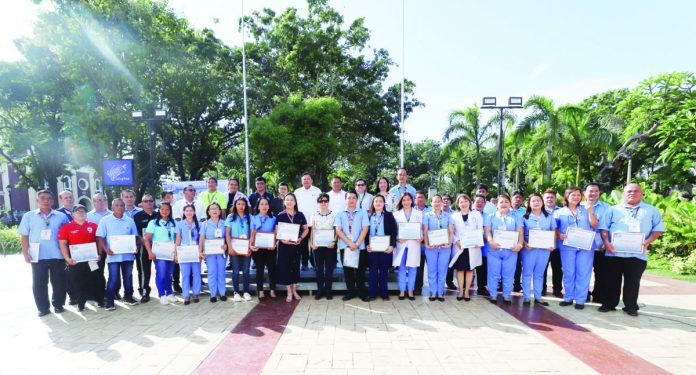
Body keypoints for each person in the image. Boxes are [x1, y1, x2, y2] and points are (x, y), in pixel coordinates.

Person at [598, 183, 665, 316]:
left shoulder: (651, 210)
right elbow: (604, 228)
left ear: (642, 193)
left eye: (635, 191)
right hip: (614, 253)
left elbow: (658, 229)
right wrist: (606, 242)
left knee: (633, 282)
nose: (632, 193)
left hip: (637, 254)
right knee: (611, 280)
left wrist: (647, 242)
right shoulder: (613, 210)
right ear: (623, 194)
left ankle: (631, 306)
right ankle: (609, 304)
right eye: (628, 191)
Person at [18, 190, 70, 316]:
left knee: (59, 282)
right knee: (39, 283)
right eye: (42, 198)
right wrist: (25, 253)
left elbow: (67, 236)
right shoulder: (29, 216)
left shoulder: (61, 216)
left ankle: (58, 305)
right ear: (37, 200)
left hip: (57, 254)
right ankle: (43, 308)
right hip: (38, 255)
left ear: (52, 201)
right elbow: (24, 236)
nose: (46, 201)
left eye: (48, 198)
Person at [555, 186, 598, 310]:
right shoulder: (559, 212)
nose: (576, 197)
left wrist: (590, 212)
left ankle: (580, 299)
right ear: (567, 197)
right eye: (573, 195)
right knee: (569, 272)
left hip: (585, 246)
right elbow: (554, 228)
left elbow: (595, 224)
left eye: (578, 195)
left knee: (584, 272)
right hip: (567, 246)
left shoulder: (587, 209)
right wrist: (560, 234)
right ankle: (568, 297)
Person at [96, 198, 139, 310]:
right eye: (117, 205)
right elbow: (100, 237)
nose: (119, 207)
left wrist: (135, 247)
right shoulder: (105, 220)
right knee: (113, 278)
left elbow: (135, 236)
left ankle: (128, 297)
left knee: (128, 277)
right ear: (112, 207)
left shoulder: (129, 220)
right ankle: (109, 300)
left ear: (124, 207)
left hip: (128, 255)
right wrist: (105, 249)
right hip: (113, 255)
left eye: (121, 205)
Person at [58, 204, 99, 312]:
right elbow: (63, 244)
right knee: (78, 281)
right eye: (78, 211)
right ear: (72, 214)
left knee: (94, 278)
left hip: (92, 259)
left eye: (83, 211)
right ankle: (81, 303)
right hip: (76, 260)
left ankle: (97, 299)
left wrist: (99, 254)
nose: (81, 213)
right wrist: (67, 258)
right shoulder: (66, 227)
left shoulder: (93, 226)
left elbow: (99, 241)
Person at [484, 194, 524, 304]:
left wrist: (519, 245)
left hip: (511, 250)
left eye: (506, 202)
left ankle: (506, 295)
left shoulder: (516, 217)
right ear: (496, 204)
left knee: (509, 273)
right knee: (493, 273)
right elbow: (487, 231)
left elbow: (520, 232)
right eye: (501, 202)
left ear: (510, 203)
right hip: (494, 250)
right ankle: (493, 295)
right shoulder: (490, 217)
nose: (504, 204)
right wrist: (490, 241)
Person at [521, 193, 557, 306]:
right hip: (529, 249)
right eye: (533, 201)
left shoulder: (549, 217)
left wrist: (553, 244)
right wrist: (524, 243)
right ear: (529, 204)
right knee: (527, 273)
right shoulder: (524, 217)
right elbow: (520, 233)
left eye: (538, 200)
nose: (536, 203)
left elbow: (554, 231)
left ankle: (538, 297)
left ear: (542, 202)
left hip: (544, 249)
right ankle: (526, 297)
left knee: (539, 273)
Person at [335, 190, 371, 302]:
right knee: (347, 271)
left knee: (360, 271)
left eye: (353, 198)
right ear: (345, 200)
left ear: (357, 199)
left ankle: (362, 293)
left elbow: (365, 228)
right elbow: (338, 230)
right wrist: (350, 243)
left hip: (359, 246)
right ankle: (350, 292)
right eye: (349, 198)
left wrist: (357, 243)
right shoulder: (340, 213)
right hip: (345, 247)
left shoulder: (362, 212)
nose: (351, 200)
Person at [276, 193, 309, 302]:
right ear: (284, 202)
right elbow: (277, 231)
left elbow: (306, 229)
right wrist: (282, 240)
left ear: (295, 202)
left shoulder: (300, 215)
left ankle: (294, 291)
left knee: (295, 268)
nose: (289, 202)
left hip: (296, 246)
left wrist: (301, 238)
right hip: (284, 247)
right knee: (285, 268)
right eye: (287, 200)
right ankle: (289, 292)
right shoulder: (280, 215)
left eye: (292, 200)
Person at [450, 194, 484, 301]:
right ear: (458, 204)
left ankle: (467, 292)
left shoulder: (476, 214)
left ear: (470, 202)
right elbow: (452, 232)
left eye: (465, 201)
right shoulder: (454, 216)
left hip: (473, 246)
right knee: (460, 270)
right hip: (460, 247)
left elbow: (480, 229)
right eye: (461, 202)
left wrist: (478, 241)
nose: (463, 204)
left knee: (470, 270)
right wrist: (457, 241)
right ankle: (460, 291)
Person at [143, 201, 178, 305]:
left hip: (171, 252)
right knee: (161, 274)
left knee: (169, 274)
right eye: (162, 209)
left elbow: (177, 237)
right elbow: (146, 239)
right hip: (159, 253)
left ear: (170, 211)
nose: (164, 211)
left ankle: (169, 293)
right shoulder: (153, 222)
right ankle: (162, 294)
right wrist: (149, 252)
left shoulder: (174, 222)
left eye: (167, 209)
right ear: (159, 210)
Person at [584, 182, 611, 304]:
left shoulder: (608, 208)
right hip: (582, 247)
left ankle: (598, 295)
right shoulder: (578, 206)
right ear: (584, 193)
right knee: (583, 272)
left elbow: (611, 227)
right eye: (590, 191)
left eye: (595, 191)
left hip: (600, 246)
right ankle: (583, 293)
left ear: (599, 193)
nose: (593, 193)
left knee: (601, 273)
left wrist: (607, 242)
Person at [393, 192, 423, 300]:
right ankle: (402, 290)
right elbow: (394, 230)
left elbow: (421, 229)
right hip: (401, 244)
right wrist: (397, 238)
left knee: (413, 267)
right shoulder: (396, 214)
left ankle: (410, 290)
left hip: (414, 243)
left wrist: (421, 237)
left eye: (408, 199)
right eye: (404, 200)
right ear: (401, 201)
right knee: (401, 268)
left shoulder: (418, 213)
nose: (406, 202)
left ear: (412, 201)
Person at [423, 195, 453, 301]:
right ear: (431, 203)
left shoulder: (448, 216)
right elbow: (425, 230)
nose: (437, 203)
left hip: (445, 247)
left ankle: (440, 292)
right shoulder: (427, 215)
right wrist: (426, 243)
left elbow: (451, 231)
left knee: (442, 270)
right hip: (431, 247)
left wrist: (449, 243)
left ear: (441, 203)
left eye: (439, 201)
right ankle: (433, 292)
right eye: (434, 201)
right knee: (432, 270)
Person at [365, 194, 396, 300]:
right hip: (372, 248)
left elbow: (393, 231)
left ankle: (384, 293)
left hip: (385, 248)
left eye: (380, 201)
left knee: (384, 271)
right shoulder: (369, 216)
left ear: (384, 204)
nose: (378, 203)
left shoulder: (389, 215)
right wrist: (366, 245)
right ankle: (372, 293)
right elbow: (364, 232)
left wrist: (392, 245)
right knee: (373, 271)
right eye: (376, 201)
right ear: (373, 204)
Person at [308, 193, 337, 300]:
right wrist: (312, 243)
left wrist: (334, 241)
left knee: (329, 269)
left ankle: (328, 291)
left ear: (328, 202)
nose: (323, 203)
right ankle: (320, 290)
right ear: (318, 202)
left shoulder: (334, 214)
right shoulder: (314, 214)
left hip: (330, 246)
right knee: (319, 269)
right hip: (318, 246)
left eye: (325, 201)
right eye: (321, 201)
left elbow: (336, 230)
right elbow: (312, 230)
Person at [225, 197, 253, 302]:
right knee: (235, 271)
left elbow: (252, 233)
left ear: (246, 206)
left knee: (246, 271)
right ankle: (236, 292)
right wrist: (230, 248)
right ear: (235, 205)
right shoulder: (230, 217)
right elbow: (227, 234)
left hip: (246, 248)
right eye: (239, 204)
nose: (241, 206)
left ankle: (246, 291)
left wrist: (250, 246)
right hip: (234, 248)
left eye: (243, 204)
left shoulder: (250, 217)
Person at [250, 197, 278, 300]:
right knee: (259, 270)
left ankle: (272, 291)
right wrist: (251, 245)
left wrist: (275, 243)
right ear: (258, 206)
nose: (264, 206)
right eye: (262, 204)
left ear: (269, 206)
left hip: (271, 248)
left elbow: (276, 233)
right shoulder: (253, 218)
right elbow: (252, 233)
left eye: (266, 204)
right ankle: (260, 291)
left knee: (272, 269)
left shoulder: (274, 218)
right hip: (258, 248)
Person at [199, 203, 228, 302]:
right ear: (208, 212)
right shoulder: (205, 224)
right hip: (209, 253)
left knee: (221, 272)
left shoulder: (225, 223)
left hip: (221, 252)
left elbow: (228, 237)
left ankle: (222, 293)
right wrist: (201, 250)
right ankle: (213, 294)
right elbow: (202, 238)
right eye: (212, 209)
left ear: (220, 211)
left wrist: (226, 245)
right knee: (212, 273)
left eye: (216, 208)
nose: (214, 210)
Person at [86, 192, 110, 305]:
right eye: (97, 200)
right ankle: (97, 294)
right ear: (93, 202)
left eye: (102, 200)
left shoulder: (113, 214)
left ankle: (113, 292)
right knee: (95, 272)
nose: (100, 202)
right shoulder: (87, 216)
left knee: (113, 272)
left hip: (111, 249)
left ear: (105, 201)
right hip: (93, 251)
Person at [175, 205, 202, 305]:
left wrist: (201, 251)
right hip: (184, 251)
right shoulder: (180, 224)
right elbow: (178, 239)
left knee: (196, 273)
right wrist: (176, 253)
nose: (189, 212)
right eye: (187, 211)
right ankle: (186, 295)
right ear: (184, 212)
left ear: (194, 212)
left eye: (191, 211)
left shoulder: (199, 224)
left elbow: (201, 239)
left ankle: (195, 293)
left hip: (196, 251)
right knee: (185, 274)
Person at [294, 172, 321, 270]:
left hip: (314, 223)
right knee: (303, 245)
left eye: (308, 179)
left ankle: (314, 263)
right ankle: (304, 263)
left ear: (311, 180)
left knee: (314, 244)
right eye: (304, 179)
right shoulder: (297, 192)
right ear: (301, 181)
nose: (306, 180)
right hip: (302, 223)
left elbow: (320, 205)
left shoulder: (317, 191)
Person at [133, 194, 157, 302]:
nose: (148, 203)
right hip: (143, 246)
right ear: (142, 203)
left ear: (153, 202)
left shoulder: (158, 215)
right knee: (144, 270)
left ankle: (165, 290)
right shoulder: (137, 216)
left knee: (161, 269)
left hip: (158, 246)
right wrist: (144, 242)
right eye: (146, 201)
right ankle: (144, 291)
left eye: (150, 201)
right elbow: (136, 233)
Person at [542, 189, 563, 298]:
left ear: (555, 199)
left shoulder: (562, 211)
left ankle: (557, 290)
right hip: (543, 246)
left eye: (552, 197)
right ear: (543, 199)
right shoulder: (539, 212)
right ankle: (542, 289)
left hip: (558, 246)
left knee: (557, 268)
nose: (549, 199)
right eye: (547, 197)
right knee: (542, 268)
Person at [414, 191, 430, 294]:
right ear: (415, 200)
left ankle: (434, 289)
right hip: (417, 244)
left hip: (430, 243)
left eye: (422, 197)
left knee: (432, 267)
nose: (420, 199)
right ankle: (418, 288)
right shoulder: (411, 211)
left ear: (425, 199)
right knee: (419, 267)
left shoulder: (431, 211)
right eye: (418, 198)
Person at [473, 194, 490, 296]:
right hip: (470, 246)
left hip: (484, 247)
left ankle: (481, 287)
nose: (479, 204)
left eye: (481, 202)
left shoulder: (488, 216)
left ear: (485, 204)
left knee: (483, 268)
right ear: (473, 203)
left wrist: (484, 237)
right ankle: (465, 287)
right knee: (469, 267)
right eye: (477, 201)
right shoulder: (469, 214)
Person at [510, 190, 526, 292]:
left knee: (518, 264)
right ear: (511, 198)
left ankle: (516, 284)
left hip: (520, 241)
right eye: (516, 197)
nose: (518, 199)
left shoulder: (526, 211)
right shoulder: (505, 209)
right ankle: (502, 283)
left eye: (520, 197)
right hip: (507, 241)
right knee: (506, 263)